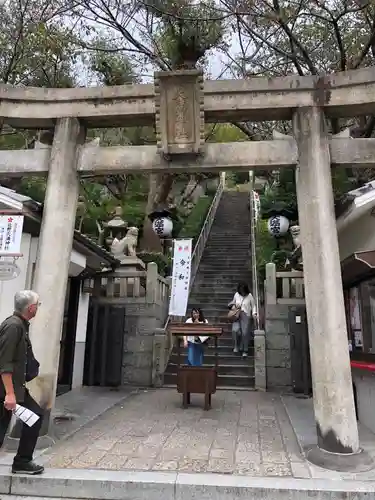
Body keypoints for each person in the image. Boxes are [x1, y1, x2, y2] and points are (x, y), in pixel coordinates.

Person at [0, 290, 44, 475]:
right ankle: (22, 461)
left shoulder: (20, 325)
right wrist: (10, 394)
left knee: (35, 417)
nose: (38, 308)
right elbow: (4, 362)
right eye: (38, 305)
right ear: (31, 307)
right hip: (5, 390)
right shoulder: (13, 327)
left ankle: (22, 461)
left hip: (16, 388)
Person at [229, 282, 257, 357]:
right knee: (235, 330)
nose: (242, 291)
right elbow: (233, 303)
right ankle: (236, 346)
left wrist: (254, 313)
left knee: (245, 333)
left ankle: (245, 350)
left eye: (243, 289)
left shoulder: (249, 296)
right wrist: (234, 305)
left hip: (246, 315)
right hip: (237, 315)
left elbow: (253, 306)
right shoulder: (236, 294)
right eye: (241, 289)